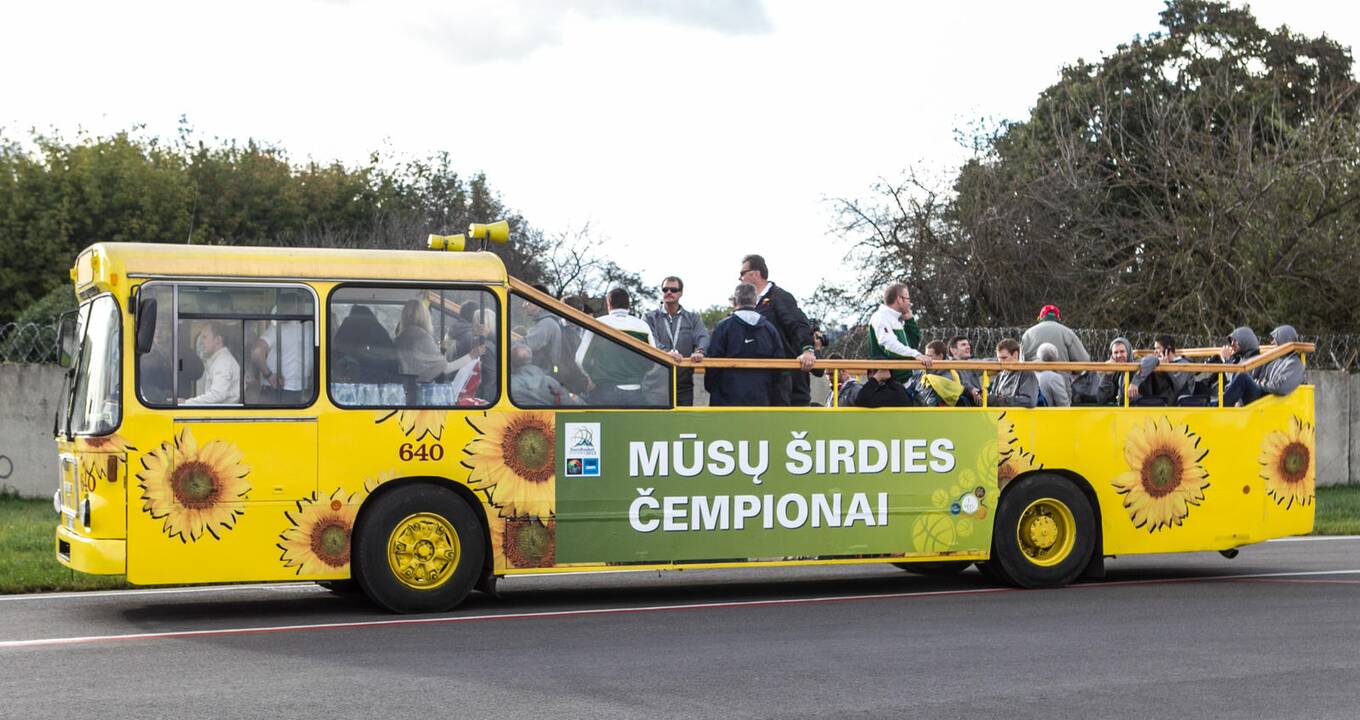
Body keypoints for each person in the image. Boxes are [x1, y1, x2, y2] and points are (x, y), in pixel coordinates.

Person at [740, 254, 816, 405]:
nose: (740, 278)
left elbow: (799, 324)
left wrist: (808, 349)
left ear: (755, 273)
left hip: (787, 381)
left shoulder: (779, 297)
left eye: (742, 273)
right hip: (763, 381)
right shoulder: (752, 304)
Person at [705, 283, 784, 406]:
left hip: (727, 400)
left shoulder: (723, 327)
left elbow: (713, 365)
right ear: (755, 301)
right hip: (762, 398)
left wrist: (715, 391)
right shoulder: (770, 329)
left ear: (734, 301)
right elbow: (779, 366)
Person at [577, 288, 658, 405]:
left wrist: (592, 377)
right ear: (628, 305)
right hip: (635, 392)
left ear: (608, 304)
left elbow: (581, 359)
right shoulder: (642, 326)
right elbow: (653, 360)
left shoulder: (597, 324)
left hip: (604, 391)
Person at [644, 276, 709, 406]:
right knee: (658, 425)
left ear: (680, 293)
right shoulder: (650, 317)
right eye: (665, 289)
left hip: (683, 385)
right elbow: (651, 340)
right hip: (656, 385)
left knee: (683, 425)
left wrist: (700, 351)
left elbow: (703, 337)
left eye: (673, 290)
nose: (668, 292)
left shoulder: (693, 318)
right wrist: (667, 353)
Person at [395, 299, 483, 383]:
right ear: (425, 316)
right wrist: (472, 355)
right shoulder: (422, 337)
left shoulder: (401, 337)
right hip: (420, 388)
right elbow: (446, 368)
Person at [250, 291, 313, 404]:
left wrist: (269, 375)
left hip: (276, 390)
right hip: (305, 392)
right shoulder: (312, 329)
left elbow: (256, 352)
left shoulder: (275, 331)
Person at [1222, 325, 1305, 406]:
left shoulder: (1294, 364)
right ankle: (1216, 405)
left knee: (1243, 377)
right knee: (1242, 378)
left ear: (1284, 340)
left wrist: (1258, 382)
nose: (1271, 342)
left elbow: (1282, 387)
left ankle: (1217, 406)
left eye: (1275, 339)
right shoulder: (1275, 360)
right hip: (1264, 396)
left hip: (1267, 400)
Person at [868, 282, 932, 384]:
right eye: (908, 299)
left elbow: (912, 345)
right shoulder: (881, 317)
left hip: (903, 381)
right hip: (890, 384)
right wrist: (915, 355)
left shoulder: (895, 319)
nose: (909, 303)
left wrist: (909, 321)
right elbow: (889, 346)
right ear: (899, 299)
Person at [333, 304, 398, 383]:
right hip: (379, 378)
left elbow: (337, 349)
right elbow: (391, 355)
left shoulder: (345, 330)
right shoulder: (378, 330)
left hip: (348, 378)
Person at [184, 322, 241, 405]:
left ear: (218, 340)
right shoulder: (217, 360)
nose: (201, 342)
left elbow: (217, 395)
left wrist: (187, 403)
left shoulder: (223, 363)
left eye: (204, 337)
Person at [1126, 334, 1193, 406]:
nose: (1155, 352)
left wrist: (1166, 368)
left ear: (1168, 348)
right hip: (1157, 399)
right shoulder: (1156, 360)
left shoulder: (1183, 364)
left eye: (1158, 348)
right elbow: (1143, 362)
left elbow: (1177, 386)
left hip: (1176, 404)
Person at [509, 343, 581, 406]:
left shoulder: (508, 386)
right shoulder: (551, 382)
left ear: (511, 362)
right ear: (531, 359)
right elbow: (568, 404)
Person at [1072, 337, 1133, 405]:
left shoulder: (1137, 369)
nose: (1119, 355)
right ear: (1112, 355)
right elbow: (1101, 398)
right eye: (1116, 352)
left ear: (1128, 352)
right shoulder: (1107, 369)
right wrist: (1108, 376)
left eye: (1122, 351)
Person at [1020, 304, 1090, 363]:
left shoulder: (1028, 334)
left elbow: (1021, 361)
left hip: (1033, 378)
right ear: (1058, 318)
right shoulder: (1068, 333)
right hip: (1061, 378)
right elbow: (1084, 359)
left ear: (1040, 318)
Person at [980, 338, 1037, 408]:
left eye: (1004, 358)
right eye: (999, 358)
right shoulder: (1000, 375)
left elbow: (1029, 401)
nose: (1000, 362)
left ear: (1015, 355)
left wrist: (999, 399)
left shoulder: (1026, 373)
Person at [522, 287, 563, 375]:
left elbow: (525, 346)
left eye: (527, 301)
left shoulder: (546, 323)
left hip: (537, 376)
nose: (524, 305)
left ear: (538, 303)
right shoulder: (546, 321)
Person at [915, 341, 965, 407]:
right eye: (925, 356)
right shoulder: (924, 371)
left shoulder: (948, 376)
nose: (926, 359)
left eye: (929, 356)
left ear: (940, 356)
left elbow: (930, 402)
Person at [948, 335, 982, 406]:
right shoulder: (949, 366)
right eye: (963, 345)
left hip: (978, 398)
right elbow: (958, 384)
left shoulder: (971, 363)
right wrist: (971, 390)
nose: (968, 347)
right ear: (953, 350)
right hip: (966, 402)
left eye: (968, 344)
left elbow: (987, 361)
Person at [1034, 342, 1071, 407]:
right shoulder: (1054, 378)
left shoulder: (1030, 373)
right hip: (1047, 415)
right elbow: (1064, 405)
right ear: (1055, 359)